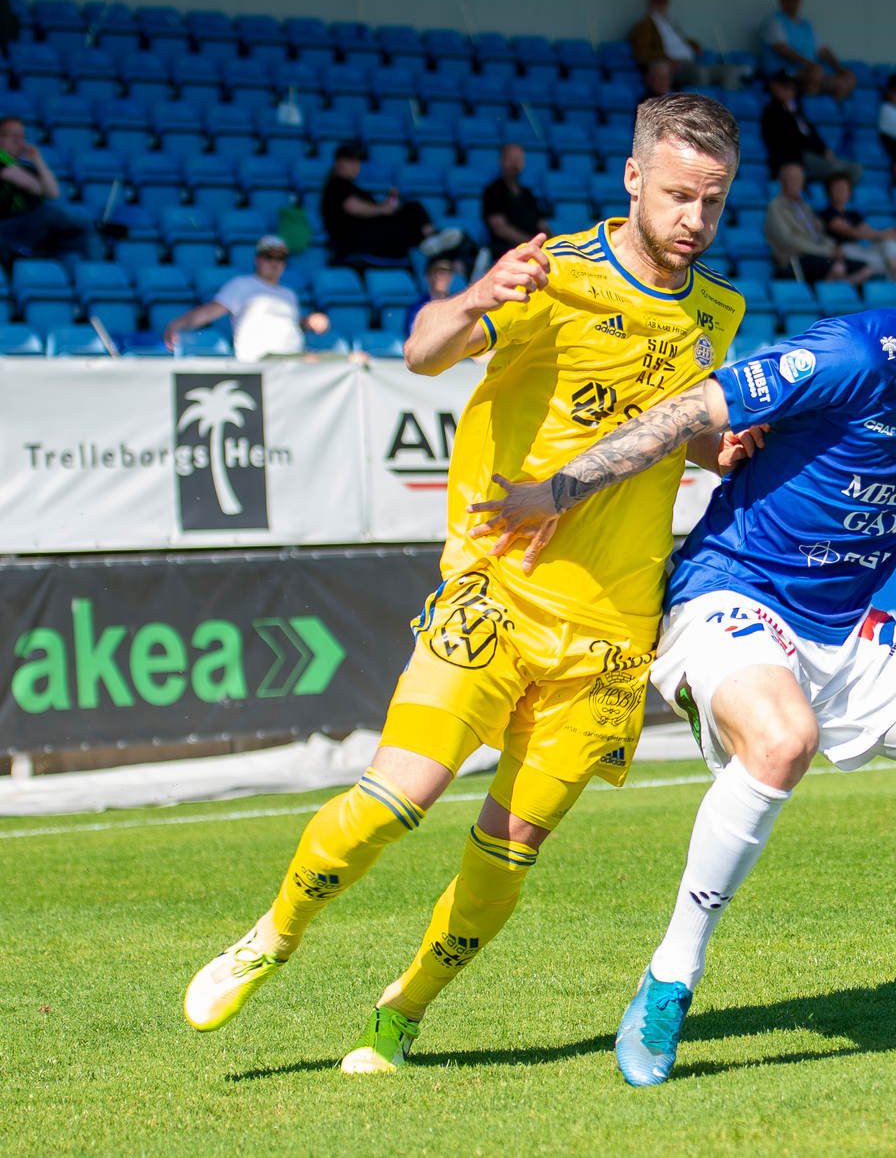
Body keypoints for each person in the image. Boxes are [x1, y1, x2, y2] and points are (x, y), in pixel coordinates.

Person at [466, 229, 896, 1089]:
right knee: (780, 740)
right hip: (728, 598)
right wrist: (556, 490)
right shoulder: (852, 354)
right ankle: (669, 980)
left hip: (844, 630)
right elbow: (691, 412)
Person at [181, 95, 753, 1074]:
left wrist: (723, 443)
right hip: (497, 591)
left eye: (712, 200)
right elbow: (423, 349)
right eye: (676, 195)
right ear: (632, 179)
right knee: (402, 793)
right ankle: (273, 934)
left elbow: (682, 431)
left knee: (510, 846)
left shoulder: (717, 313)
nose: (694, 218)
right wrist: (480, 292)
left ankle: (400, 1014)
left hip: (615, 629)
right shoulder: (555, 273)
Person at [162, 235, 331, 360]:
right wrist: (177, 324)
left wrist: (308, 322)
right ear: (257, 259)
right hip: (260, 361)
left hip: (293, 359)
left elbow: (291, 325)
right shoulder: (241, 285)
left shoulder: (289, 294)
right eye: (269, 257)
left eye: (280, 258)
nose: (274, 263)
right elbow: (210, 312)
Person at [321, 140, 467, 267]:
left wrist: (387, 206)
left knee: (411, 209)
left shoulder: (352, 187)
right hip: (356, 239)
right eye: (350, 161)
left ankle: (432, 240)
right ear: (339, 163)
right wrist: (383, 209)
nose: (356, 165)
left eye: (357, 161)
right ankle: (431, 241)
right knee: (412, 211)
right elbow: (353, 207)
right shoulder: (337, 185)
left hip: (371, 234)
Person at [0, 115, 100, 265]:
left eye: (22, 136)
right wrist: (39, 186)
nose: (19, 141)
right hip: (7, 225)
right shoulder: (2, 160)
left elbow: (53, 192)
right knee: (52, 213)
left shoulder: (27, 167)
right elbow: (34, 187)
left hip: (32, 228)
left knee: (78, 235)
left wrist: (38, 160)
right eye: (13, 136)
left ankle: (92, 273)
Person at [764, 160, 861, 286]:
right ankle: (826, 292)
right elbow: (789, 241)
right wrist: (826, 251)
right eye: (792, 179)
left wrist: (833, 248)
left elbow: (819, 234)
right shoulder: (775, 207)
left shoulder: (805, 207)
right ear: (782, 182)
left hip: (818, 254)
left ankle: (836, 291)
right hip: (797, 258)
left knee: (864, 267)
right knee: (837, 268)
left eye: (799, 179)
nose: (797, 183)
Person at [760, 70, 861, 184]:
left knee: (855, 169)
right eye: (786, 87)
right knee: (841, 171)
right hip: (797, 158)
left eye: (792, 88)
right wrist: (816, 149)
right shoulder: (772, 112)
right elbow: (791, 139)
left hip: (812, 155)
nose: (790, 91)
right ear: (775, 87)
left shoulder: (796, 109)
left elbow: (810, 131)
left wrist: (823, 149)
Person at [759, 0, 855, 102]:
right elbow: (781, 48)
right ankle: (808, 111)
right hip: (782, 74)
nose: (792, 2)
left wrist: (839, 67)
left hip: (807, 72)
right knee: (815, 72)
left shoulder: (806, 25)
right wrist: (808, 64)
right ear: (781, 0)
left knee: (847, 79)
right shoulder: (774, 22)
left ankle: (831, 115)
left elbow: (822, 50)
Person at [628, 0, 737, 89]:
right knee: (700, 73)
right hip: (674, 67)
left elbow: (683, 42)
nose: (661, 5)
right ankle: (702, 107)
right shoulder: (644, 26)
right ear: (650, 4)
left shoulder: (671, 25)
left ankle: (731, 104)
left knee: (730, 71)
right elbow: (642, 53)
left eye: (664, 1)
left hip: (692, 62)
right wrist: (668, 60)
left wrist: (694, 46)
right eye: (657, 1)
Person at [820, 173, 896, 287]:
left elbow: (870, 232)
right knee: (883, 258)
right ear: (829, 191)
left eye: (844, 189)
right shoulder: (827, 214)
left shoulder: (853, 215)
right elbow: (852, 232)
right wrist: (884, 234)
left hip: (859, 249)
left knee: (888, 243)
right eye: (837, 189)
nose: (841, 192)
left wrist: (887, 235)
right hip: (842, 251)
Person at [482, 143, 551, 263]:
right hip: (505, 253)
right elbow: (500, 228)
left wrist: (552, 242)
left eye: (519, 160)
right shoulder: (493, 191)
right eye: (511, 159)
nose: (515, 165)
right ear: (502, 161)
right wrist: (529, 244)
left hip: (534, 250)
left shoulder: (528, 194)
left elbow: (542, 224)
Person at [404, 258, 459, 337]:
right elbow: (414, 337)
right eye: (438, 272)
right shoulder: (417, 309)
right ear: (427, 276)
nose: (442, 277)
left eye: (447, 272)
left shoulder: (457, 305)